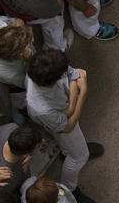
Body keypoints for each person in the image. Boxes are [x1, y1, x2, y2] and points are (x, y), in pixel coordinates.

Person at [25, 49, 101, 202]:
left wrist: (71, 108)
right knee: (79, 156)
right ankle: (70, 187)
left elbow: (73, 74)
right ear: (51, 82)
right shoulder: (40, 108)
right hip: (59, 122)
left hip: (61, 112)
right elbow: (67, 127)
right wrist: (82, 95)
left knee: (68, 144)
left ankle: (67, 152)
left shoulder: (47, 64)